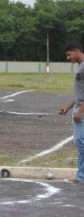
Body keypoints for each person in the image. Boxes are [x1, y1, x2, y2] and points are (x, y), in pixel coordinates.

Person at [59, 41, 84, 183]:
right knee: (80, 142)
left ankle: (82, 176)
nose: (68, 58)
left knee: (80, 141)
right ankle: (81, 176)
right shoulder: (80, 67)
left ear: (76, 50)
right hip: (79, 107)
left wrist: (80, 111)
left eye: (69, 54)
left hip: (82, 110)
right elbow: (80, 94)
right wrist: (68, 107)